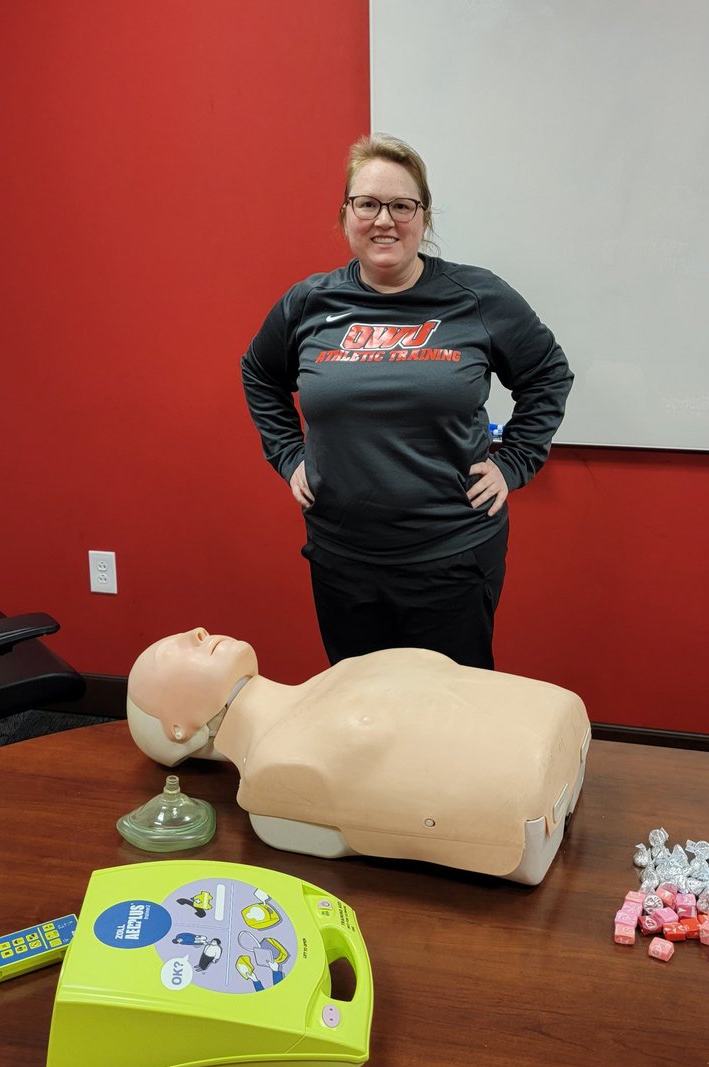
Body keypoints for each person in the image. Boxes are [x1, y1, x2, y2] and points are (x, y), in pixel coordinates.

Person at [240, 134, 573, 671]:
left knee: (448, 716)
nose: (384, 220)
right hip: (341, 556)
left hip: (452, 555)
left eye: (401, 205)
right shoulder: (310, 302)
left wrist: (513, 463)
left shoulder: (477, 297)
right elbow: (258, 372)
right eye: (367, 204)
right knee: (360, 709)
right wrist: (288, 456)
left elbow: (547, 373)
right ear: (346, 213)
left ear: (424, 216)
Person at [126, 628, 591, 881]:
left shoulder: (337, 677)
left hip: (546, 744)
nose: (198, 631)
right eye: (173, 655)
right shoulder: (275, 770)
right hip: (527, 792)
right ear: (178, 730)